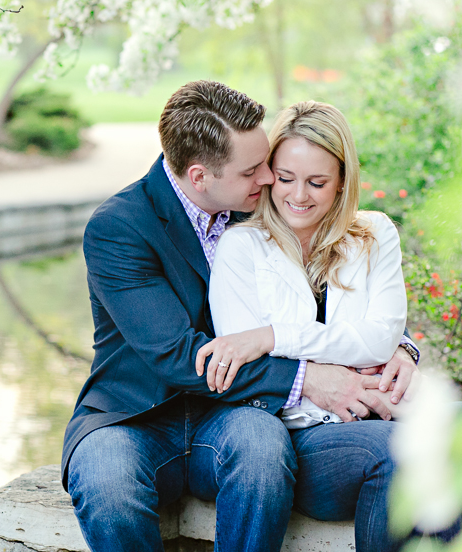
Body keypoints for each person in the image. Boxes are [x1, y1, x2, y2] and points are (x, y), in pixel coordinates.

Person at [62, 81, 420, 552]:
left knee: (262, 450)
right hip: (137, 414)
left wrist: (400, 344)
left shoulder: (254, 204)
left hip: (233, 412)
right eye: (255, 170)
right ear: (199, 176)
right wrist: (307, 379)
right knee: (107, 483)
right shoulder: (122, 227)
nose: (271, 179)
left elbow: (329, 285)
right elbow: (178, 354)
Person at [202, 100, 413, 551]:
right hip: (299, 441)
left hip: (382, 413)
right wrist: (348, 377)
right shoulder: (241, 248)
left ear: (341, 183)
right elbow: (245, 373)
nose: (299, 196)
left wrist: (275, 336)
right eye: (285, 179)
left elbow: (380, 338)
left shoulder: (376, 234)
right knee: (401, 451)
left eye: (317, 182)